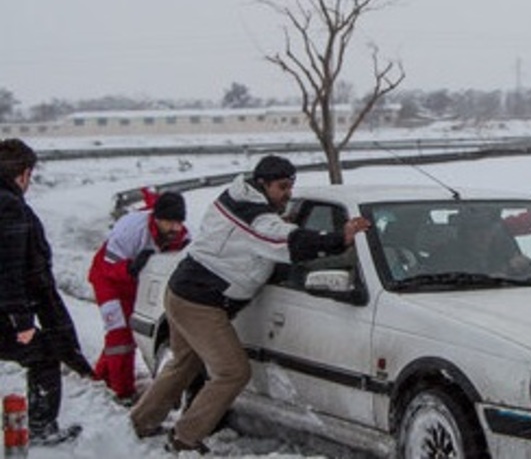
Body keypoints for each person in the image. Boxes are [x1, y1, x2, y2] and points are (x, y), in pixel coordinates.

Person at [129, 155, 370, 454]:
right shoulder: (253, 217)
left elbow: (269, 236)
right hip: (199, 302)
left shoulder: (238, 195)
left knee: (185, 362)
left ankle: (140, 422)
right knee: (233, 372)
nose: (288, 193)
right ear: (262, 184)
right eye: (282, 187)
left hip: (184, 290)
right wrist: (337, 238)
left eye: (291, 186)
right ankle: (185, 438)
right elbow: (282, 241)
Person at [0, 139, 93, 447]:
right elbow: (8, 269)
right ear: (24, 174)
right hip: (7, 312)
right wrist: (22, 322)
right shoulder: (9, 206)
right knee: (44, 356)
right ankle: (41, 428)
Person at [88, 188, 191, 404]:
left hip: (136, 286)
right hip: (109, 282)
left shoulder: (183, 237)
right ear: (156, 219)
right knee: (119, 336)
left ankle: (101, 376)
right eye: (169, 223)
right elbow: (107, 265)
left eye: (178, 223)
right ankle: (123, 391)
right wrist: (130, 268)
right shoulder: (130, 230)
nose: (174, 228)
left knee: (129, 332)